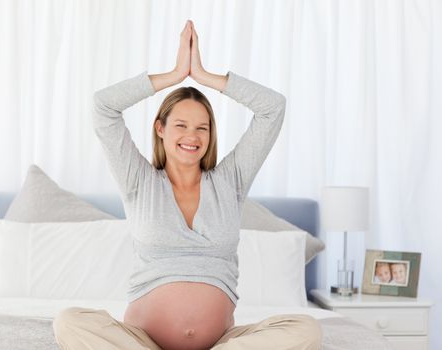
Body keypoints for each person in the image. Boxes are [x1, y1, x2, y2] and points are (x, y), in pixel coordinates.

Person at [53, 20, 322, 350]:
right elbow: (103, 106)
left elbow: (272, 108)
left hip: (220, 343)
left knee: (305, 328)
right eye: (181, 125)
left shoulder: (230, 182)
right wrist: (175, 75)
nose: (192, 136)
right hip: (140, 342)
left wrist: (205, 76)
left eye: (202, 128)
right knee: (69, 321)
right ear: (161, 129)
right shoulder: (139, 183)